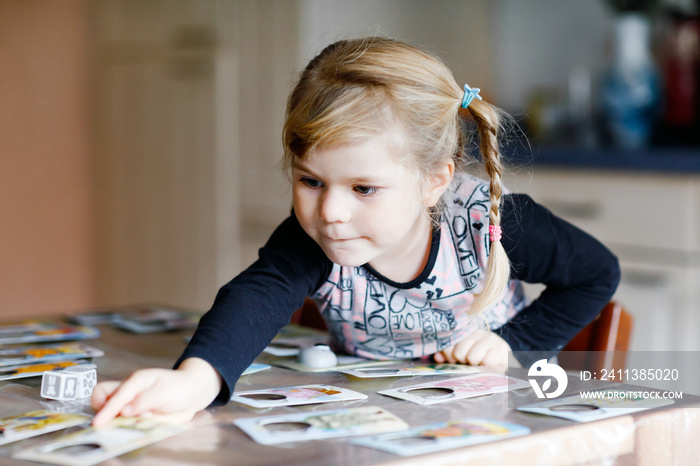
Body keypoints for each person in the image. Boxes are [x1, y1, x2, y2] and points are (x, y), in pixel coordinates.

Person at [91, 37, 620, 426]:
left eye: (364, 188)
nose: (331, 213)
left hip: (491, 423)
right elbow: (255, 298)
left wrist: (514, 346)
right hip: (370, 418)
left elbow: (598, 273)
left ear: (434, 181)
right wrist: (194, 381)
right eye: (311, 181)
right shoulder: (312, 239)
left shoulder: (490, 222)